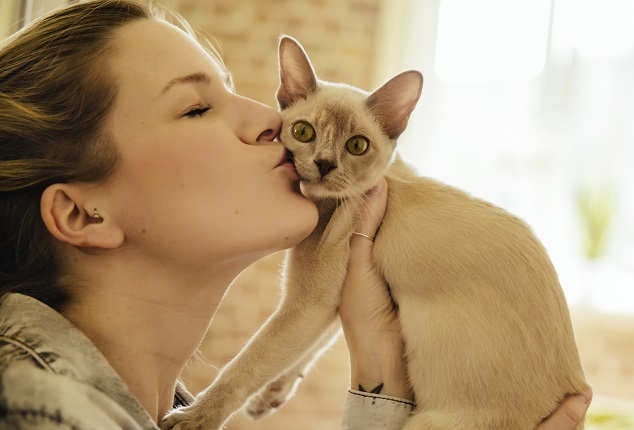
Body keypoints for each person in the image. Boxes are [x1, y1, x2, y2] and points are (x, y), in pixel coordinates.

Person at [0, 1, 592, 429]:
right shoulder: (41, 410)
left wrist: (376, 372)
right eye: (198, 107)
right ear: (82, 213)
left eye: (242, 92)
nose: (270, 120)